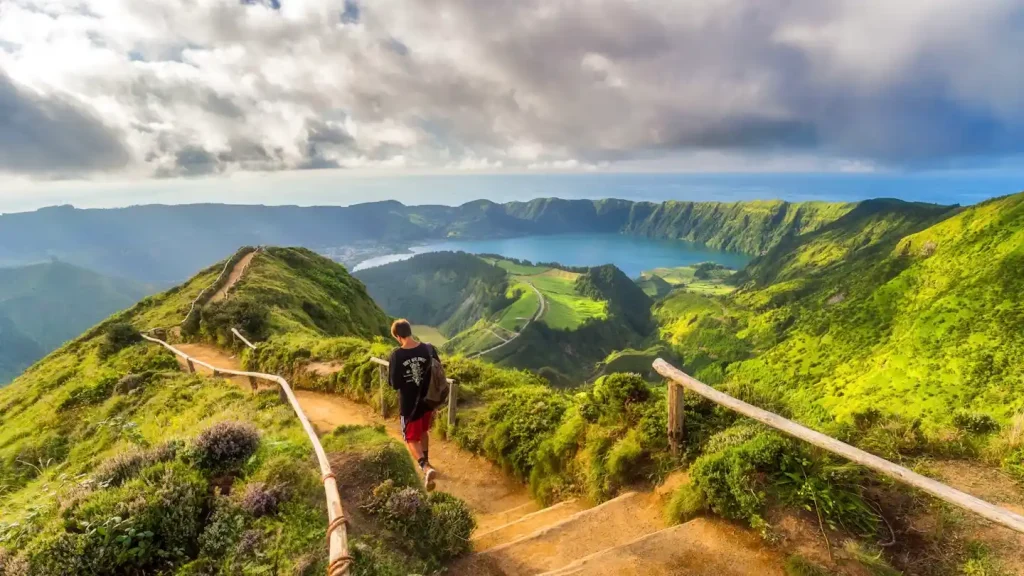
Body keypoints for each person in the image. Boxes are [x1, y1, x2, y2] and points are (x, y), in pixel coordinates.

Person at [388, 318, 439, 490]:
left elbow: (394, 384)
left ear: (397, 336)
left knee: (410, 438)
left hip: (410, 405)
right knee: (423, 431)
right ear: (410, 331)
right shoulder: (428, 349)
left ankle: (425, 468)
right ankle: (428, 461)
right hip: (428, 402)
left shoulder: (397, 355)